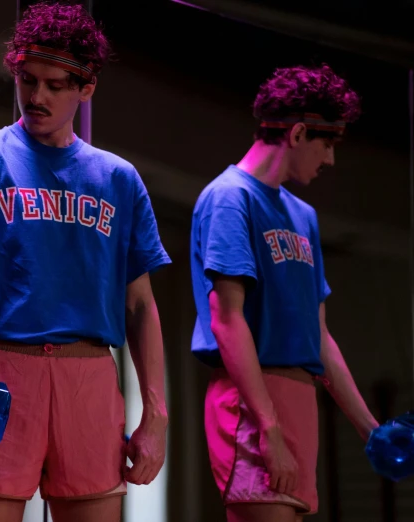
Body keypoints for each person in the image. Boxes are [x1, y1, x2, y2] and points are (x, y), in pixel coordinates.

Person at [0, 2, 170, 522]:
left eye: (55, 84)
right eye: (28, 80)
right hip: (1, 372)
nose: (37, 97)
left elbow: (141, 304)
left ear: (87, 87)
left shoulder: (117, 179)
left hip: (90, 375)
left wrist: (157, 416)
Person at [189, 64, 380, 522]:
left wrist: (369, 428)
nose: (330, 159)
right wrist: (268, 428)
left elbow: (319, 336)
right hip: (251, 405)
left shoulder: (304, 216)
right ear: (297, 134)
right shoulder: (230, 198)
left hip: (299, 400)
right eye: (328, 144)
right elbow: (227, 320)